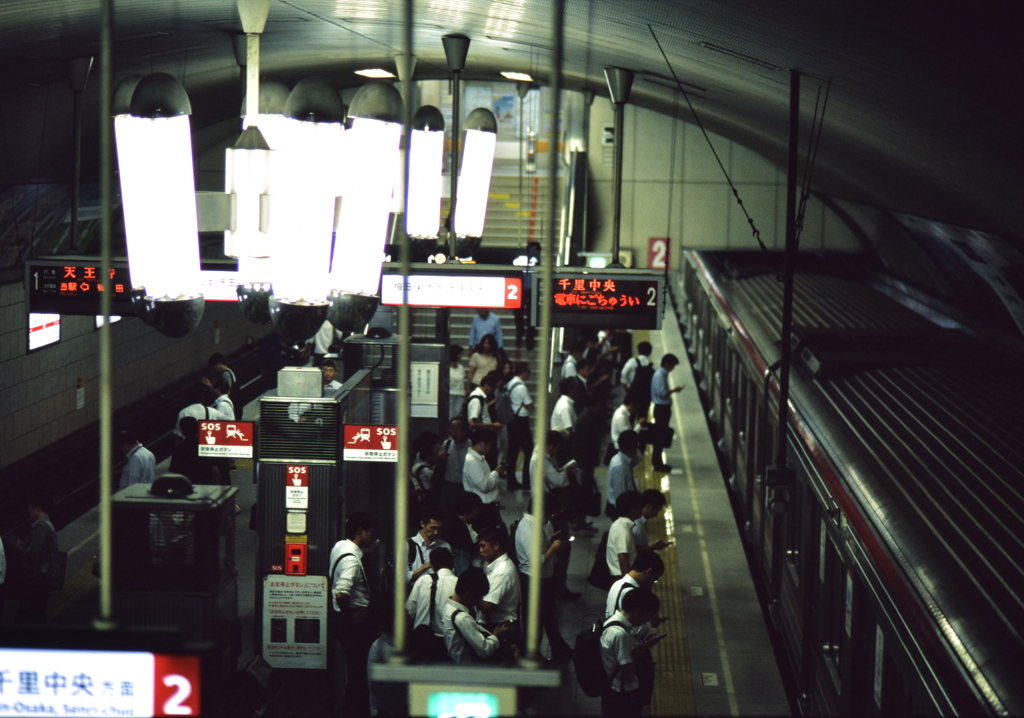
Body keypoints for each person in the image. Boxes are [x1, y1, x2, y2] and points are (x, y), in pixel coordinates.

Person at [330, 512, 379, 717]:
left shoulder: (340, 546)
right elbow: (342, 593)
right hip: (353, 622)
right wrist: (351, 616)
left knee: (355, 669)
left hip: (340, 619)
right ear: (361, 532)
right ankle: (354, 710)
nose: (373, 538)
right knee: (359, 672)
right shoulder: (352, 561)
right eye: (371, 533)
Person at [515, 494, 572, 661]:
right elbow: (536, 561)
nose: (549, 519)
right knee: (535, 622)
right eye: (549, 515)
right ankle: (532, 657)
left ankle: (558, 649)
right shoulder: (527, 529)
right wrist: (553, 548)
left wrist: (549, 542)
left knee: (549, 617)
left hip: (543, 581)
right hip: (534, 582)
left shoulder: (534, 525)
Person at [600, 588, 663, 718]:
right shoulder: (619, 634)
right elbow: (629, 674)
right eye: (647, 617)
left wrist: (642, 647)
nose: (646, 621)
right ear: (637, 612)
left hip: (613, 691)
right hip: (622, 698)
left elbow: (620, 658)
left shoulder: (613, 621)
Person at [441, 568, 517, 664]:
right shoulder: (462, 618)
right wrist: (496, 636)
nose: (479, 601)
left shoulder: (449, 607)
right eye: (479, 597)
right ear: (467, 595)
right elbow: (484, 650)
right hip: (469, 669)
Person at [405, 547, 458, 662]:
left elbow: (409, 612)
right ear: (453, 562)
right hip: (449, 644)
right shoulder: (459, 584)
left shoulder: (423, 580)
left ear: (432, 566)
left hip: (422, 641)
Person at [13, 492, 59, 622]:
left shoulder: (41, 527)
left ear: (36, 508)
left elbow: (31, 553)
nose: (28, 511)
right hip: (43, 579)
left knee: (32, 614)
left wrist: (18, 547)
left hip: (37, 579)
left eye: (29, 508)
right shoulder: (47, 525)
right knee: (38, 612)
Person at [476, 527, 520, 637]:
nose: (480, 550)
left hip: (500, 628)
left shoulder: (502, 571)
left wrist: (468, 596)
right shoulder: (493, 565)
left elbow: (487, 607)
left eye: (483, 546)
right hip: (495, 624)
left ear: (496, 546)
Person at [462, 427, 505, 530]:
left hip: (488, 507)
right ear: (481, 444)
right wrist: (496, 473)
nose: (490, 449)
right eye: (490, 445)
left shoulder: (480, 458)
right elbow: (484, 485)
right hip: (483, 509)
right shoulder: (472, 461)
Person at [169, 416, 231, 485]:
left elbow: (176, 474)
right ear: (197, 429)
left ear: (182, 431)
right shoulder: (206, 447)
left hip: (188, 487)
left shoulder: (178, 450)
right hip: (206, 487)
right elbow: (215, 472)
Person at [606, 551, 665, 619]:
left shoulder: (616, 584)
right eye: (655, 579)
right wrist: (650, 624)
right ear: (649, 572)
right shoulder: (632, 592)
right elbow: (632, 625)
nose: (652, 583)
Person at [650, 354, 683, 472]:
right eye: (672, 365)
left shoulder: (662, 375)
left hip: (662, 408)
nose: (673, 368)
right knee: (659, 437)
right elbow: (662, 393)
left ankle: (658, 463)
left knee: (661, 436)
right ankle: (657, 464)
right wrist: (675, 390)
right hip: (661, 409)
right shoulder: (660, 375)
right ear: (667, 364)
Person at [504, 362, 534, 491]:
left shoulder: (510, 383)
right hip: (521, 421)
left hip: (512, 421)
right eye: (528, 372)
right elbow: (529, 405)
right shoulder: (521, 387)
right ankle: (526, 481)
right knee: (529, 451)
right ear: (523, 372)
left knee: (513, 452)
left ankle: (511, 481)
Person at [441, 492, 482, 576]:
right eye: (477, 509)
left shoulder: (452, 520)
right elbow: (468, 548)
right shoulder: (458, 527)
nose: (477, 512)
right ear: (471, 509)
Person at [406, 506, 450, 583]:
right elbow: (403, 578)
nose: (436, 532)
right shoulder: (407, 545)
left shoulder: (445, 546)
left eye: (439, 528)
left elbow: (448, 575)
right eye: (433, 528)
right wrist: (428, 565)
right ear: (422, 524)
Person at [607, 491, 643, 579]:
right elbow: (623, 560)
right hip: (621, 577)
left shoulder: (618, 524)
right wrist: (628, 584)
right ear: (633, 510)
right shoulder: (624, 531)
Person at [606, 430, 640, 519]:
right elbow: (620, 495)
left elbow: (638, 459)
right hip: (620, 510)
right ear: (633, 447)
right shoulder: (620, 466)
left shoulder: (621, 458)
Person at [439, 418, 470, 508]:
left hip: (464, 487)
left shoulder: (471, 447)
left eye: (458, 430)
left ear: (465, 431)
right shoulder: (447, 444)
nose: (454, 433)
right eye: (452, 429)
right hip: (448, 487)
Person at [550, 377, 578, 446]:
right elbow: (568, 430)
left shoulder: (564, 402)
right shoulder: (565, 406)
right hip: (563, 444)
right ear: (570, 390)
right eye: (576, 388)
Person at [448, 345, 467, 420]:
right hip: (450, 395)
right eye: (460, 354)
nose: (461, 356)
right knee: (450, 416)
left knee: (458, 416)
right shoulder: (447, 368)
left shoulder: (461, 367)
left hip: (460, 395)